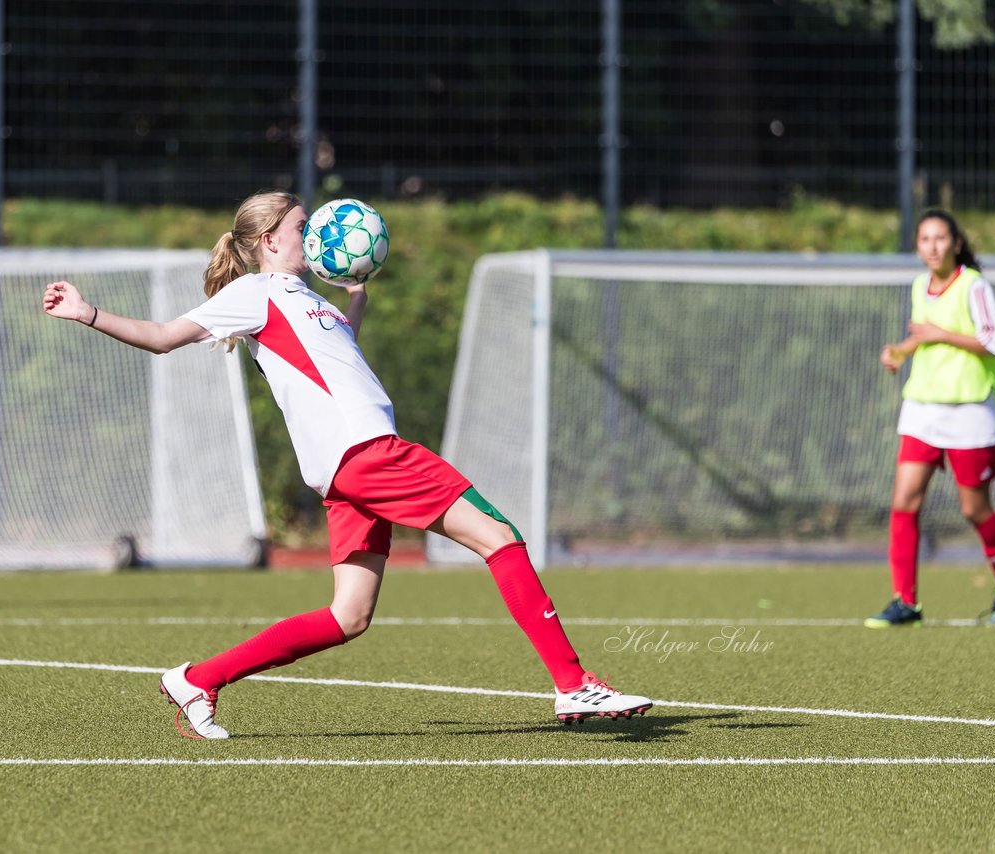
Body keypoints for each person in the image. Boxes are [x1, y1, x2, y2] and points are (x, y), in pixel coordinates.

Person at [43, 190, 652, 739]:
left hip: (348, 468)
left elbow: (339, 353)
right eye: (302, 225)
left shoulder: (305, 297)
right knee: (501, 537)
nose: (313, 236)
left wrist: (353, 300)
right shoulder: (252, 292)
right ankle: (573, 683)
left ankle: (198, 678)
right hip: (368, 453)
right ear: (268, 241)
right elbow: (161, 335)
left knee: (348, 616)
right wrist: (87, 312)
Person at [868, 210, 995, 628]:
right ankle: (905, 601)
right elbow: (926, 334)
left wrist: (939, 335)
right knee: (903, 503)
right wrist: (900, 353)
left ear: (956, 243)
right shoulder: (918, 285)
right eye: (924, 239)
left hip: (970, 410)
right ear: (917, 246)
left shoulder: (973, 285)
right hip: (922, 409)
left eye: (940, 238)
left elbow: (993, 341)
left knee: (974, 510)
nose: (932, 246)